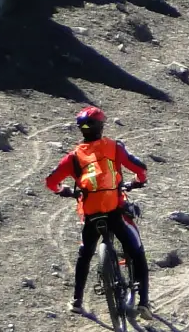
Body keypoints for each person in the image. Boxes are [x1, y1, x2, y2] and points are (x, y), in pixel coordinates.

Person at [45, 106, 149, 315]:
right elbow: (140, 168)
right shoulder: (115, 147)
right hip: (114, 210)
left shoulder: (73, 157)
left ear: (81, 129)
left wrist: (64, 191)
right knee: (137, 251)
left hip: (91, 213)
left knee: (85, 255)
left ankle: (77, 301)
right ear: (101, 126)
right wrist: (138, 181)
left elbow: (51, 182)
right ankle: (144, 303)